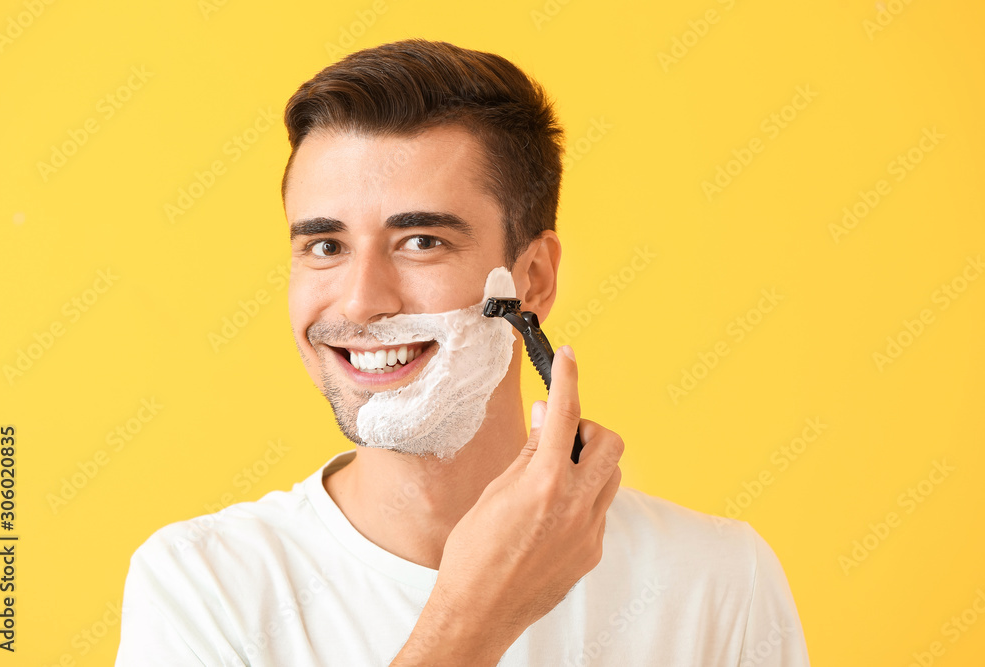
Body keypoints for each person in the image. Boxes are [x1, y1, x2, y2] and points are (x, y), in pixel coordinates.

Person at [115, 38, 810, 666]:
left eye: (422, 242)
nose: (360, 302)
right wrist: (473, 619)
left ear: (531, 279)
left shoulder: (719, 581)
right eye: (326, 246)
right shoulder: (202, 590)